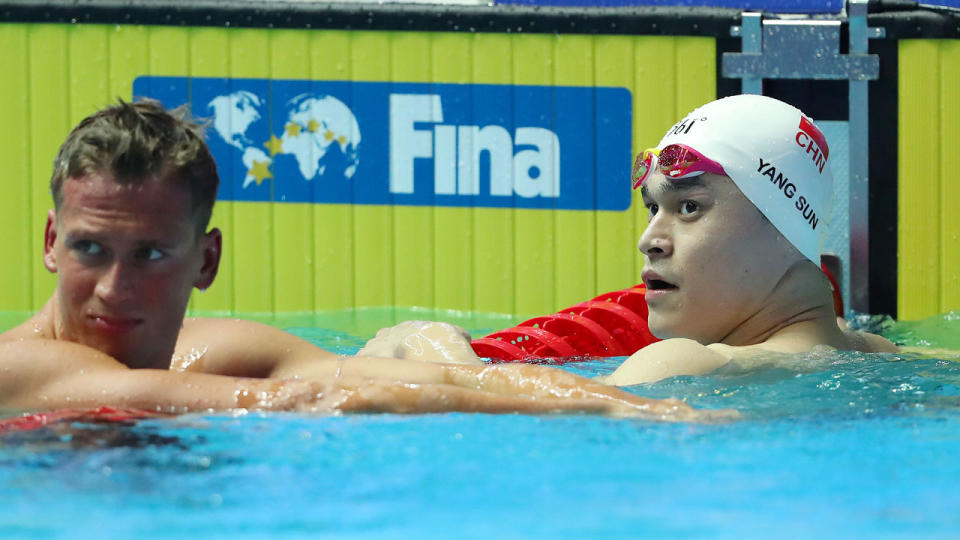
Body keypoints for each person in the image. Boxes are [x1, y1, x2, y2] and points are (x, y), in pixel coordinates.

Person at [0, 99, 715, 421]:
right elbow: (307, 399)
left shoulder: (215, 350)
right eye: (89, 249)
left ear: (207, 259)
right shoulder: (18, 370)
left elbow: (425, 377)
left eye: (150, 254)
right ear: (49, 245)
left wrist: (628, 405)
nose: (114, 287)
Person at [384, 95, 897, 384]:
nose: (649, 239)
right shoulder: (881, 356)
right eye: (653, 208)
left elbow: (484, 410)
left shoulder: (685, 365)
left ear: (786, 229)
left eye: (689, 207)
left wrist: (431, 349)